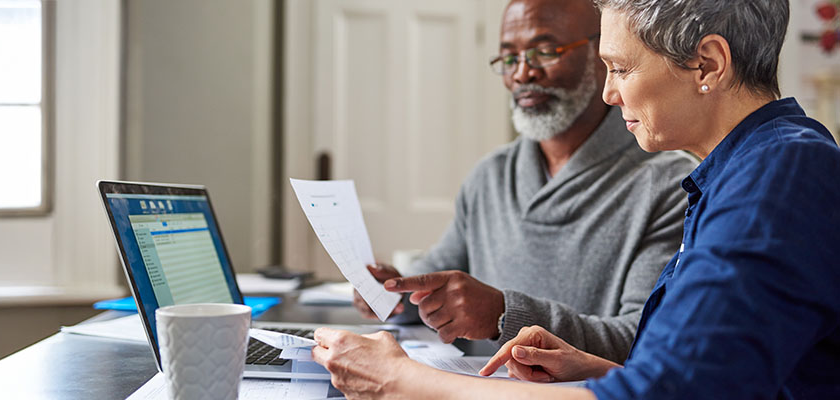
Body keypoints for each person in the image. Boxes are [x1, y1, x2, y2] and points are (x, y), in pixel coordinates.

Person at [312, 0, 840, 398]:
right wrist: (591, 368)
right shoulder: (739, 172)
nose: (610, 93)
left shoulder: (780, 173)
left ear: (707, 64)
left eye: (621, 68)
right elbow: (701, 378)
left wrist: (403, 380)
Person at [353, 0, 697, 364]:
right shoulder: (491, 176)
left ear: (603, 55)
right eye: (509, 58)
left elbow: (642, 336)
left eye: (545, 51)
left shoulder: (668, 184)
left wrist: (504, 315)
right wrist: (398, 294)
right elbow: (441, 280)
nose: (522, 74)